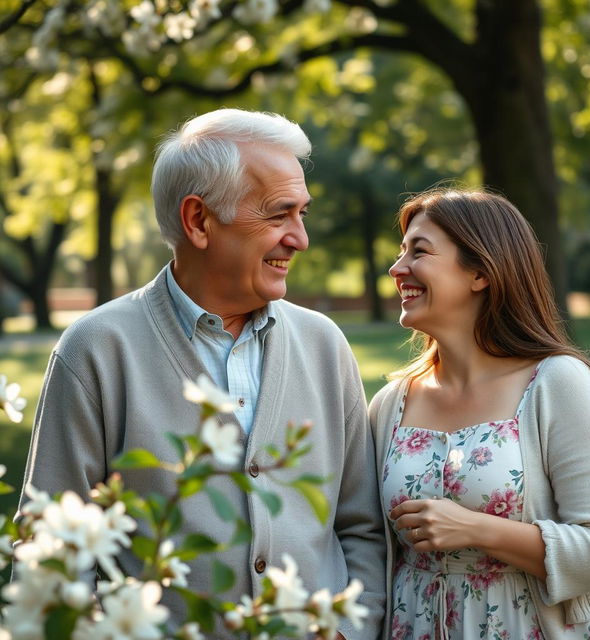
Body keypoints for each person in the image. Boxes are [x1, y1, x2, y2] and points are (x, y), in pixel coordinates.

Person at [20, 109, 386, 639]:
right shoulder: (96, 350)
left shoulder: (324, 344)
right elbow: (48, 550)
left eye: (302, 213)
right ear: (198, 221)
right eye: (279, 214)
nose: (300, 238)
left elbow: (362, 529)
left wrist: (353, 631)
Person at [369, 187, 590, 640]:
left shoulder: (555, 383)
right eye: (400, 251)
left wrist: (476, 528)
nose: (397, 268)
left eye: (420, 251)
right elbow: (368, 545)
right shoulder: (391, 404)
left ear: (480, 273)